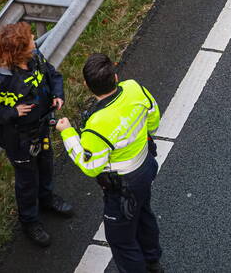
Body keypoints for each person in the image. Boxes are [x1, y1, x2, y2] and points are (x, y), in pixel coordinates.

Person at [0, 22, 71, 247]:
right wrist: (11, 112)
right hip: (19, 139)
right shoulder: (0, 79)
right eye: (30, 38)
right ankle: (30, 221)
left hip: (41, 128)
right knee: (27, 181)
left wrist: (57, 94)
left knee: (46, 164)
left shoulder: (35, 57)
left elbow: (53, 75)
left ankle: (47, 199)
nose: (34, 37)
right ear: (20, 51)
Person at [56, 54, 163, 273]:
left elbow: (90, 165)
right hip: (146, 167)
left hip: (123, 187)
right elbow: (154, 119)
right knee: (143, 214)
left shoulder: (96, 125)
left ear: (86, 85)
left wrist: (67, 133)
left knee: (122, 240)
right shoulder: (134, 89)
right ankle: (153, 261)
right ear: (115, 77)